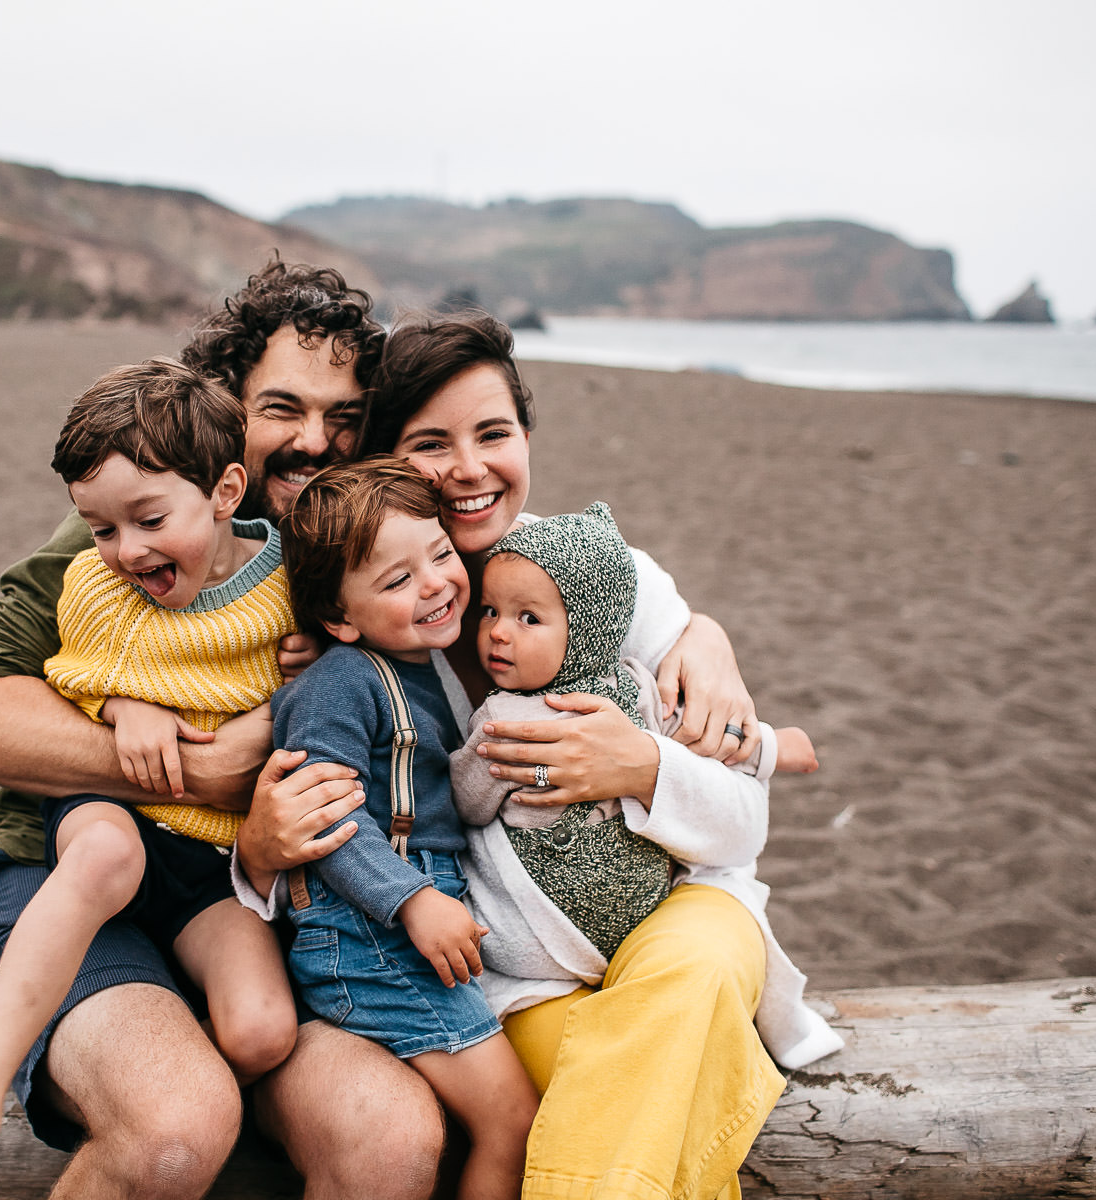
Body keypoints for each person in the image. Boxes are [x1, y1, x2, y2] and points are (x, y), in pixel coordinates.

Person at [235, 310, 841, 1200]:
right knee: (622, 1085)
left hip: (674, 917)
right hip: (513, 973)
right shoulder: (374, 605)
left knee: (694, 974)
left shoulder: (593, 575)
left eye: (495, 433)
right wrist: (257, 845)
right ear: (384, 461)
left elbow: (738, 811)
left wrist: (645, 762)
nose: (472, 468)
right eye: (432, 443)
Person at [0, 260, 459, 1200]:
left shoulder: (364, 537)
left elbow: (539, 584)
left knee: (390, 1142)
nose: (314, 442)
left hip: (259, 909)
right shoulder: (143, 526)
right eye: (283, 409)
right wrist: (195, 768)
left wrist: (698, 639)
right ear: (226, 415)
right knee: (174, 1129)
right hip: (75, 875)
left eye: (342, 418)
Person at [0, 360, 299, 1200]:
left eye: (147, 520)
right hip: (115, 809)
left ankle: (154, 1050)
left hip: (209, 864)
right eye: (100, 528)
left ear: (228, 490)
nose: (125, 551)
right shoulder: (94, 582)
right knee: (101, 862)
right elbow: (62, 671)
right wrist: (122, 706)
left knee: (262, 1030)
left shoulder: (289, 585)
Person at [450, 502, 825, 1036]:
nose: (499, 633)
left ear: (586, 627)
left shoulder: (636, 683)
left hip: (652, 920)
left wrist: (760, 745)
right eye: (489, 612)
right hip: (538, 952)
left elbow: (690, 742)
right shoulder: (507, 719)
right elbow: (467, 800)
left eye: (528, 618)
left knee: (678, 1009)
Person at [274, 458, 540, 1200]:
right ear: (339, 618)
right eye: (396, 581)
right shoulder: (339, 681)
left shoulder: (430, 667)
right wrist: (412, 901)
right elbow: (323, 815)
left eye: (442, 555)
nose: (433, 584)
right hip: (371, 932)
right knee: (512, 1122)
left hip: (411, 920)